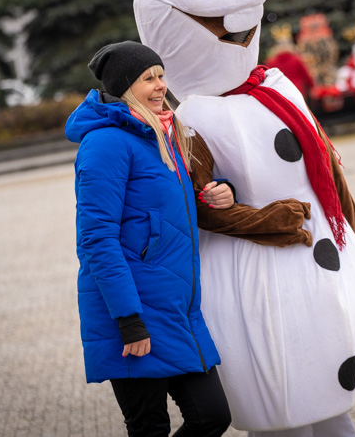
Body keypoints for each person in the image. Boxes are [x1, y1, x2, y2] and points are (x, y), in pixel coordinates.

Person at [65, 40, 233, 437]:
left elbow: (167, 208)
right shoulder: (106, 143)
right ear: (124, 86)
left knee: (212, 416)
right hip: (133, 314)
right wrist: (128, 320)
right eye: (148, 78)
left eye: (161, 76)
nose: (160, 86)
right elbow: (96, 240)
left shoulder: (164, 132)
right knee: (148, 427)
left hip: (175, 309)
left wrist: (220, 192)